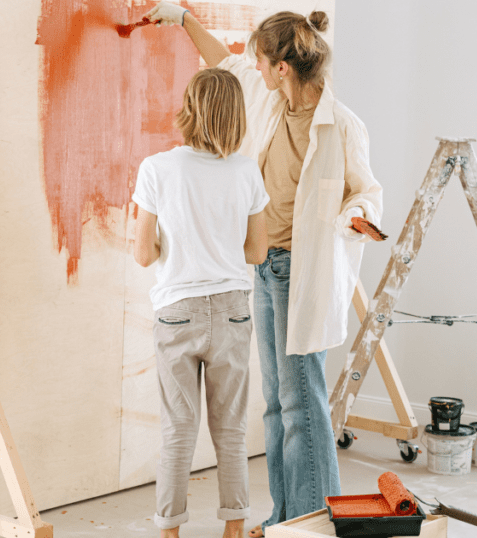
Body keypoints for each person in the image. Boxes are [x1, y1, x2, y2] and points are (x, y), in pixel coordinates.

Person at [144, 3, 384, 536]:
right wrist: (183, 20)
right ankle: (284, 517)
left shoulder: (341, 125)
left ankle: (313, 520)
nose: (251, 65)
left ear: (282, 66)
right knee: (276, 405)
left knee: (302, 399)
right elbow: (223, 63)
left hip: (306, 271)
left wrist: (358, 215)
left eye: (260, 58)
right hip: (264, 268)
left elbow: (366, 190)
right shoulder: (267, 96)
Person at [132, 67, 270, 538]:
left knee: (179, 428)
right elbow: (257, 252)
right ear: (237, 115)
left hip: (177, 311)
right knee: (230, 429)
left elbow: (142, 252)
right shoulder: (247, 169)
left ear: (189, 109)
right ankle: (234, 529)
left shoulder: (156, 168)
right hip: (232, 307)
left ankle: (170, 531)